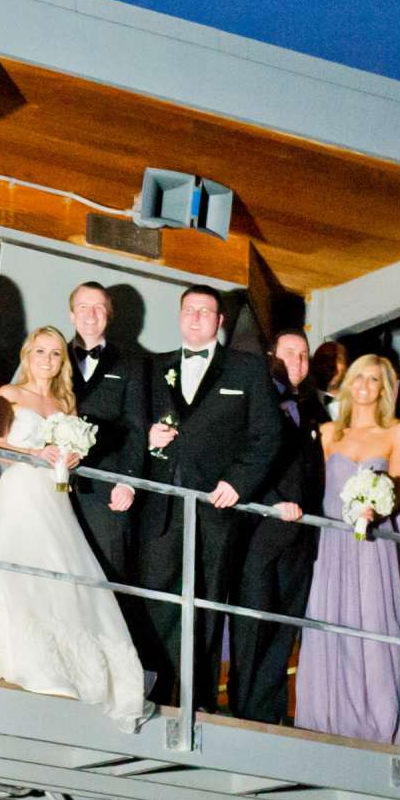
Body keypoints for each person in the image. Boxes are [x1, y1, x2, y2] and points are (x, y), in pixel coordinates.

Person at [0, 326, 148, 723]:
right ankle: (17, 662)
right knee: (17, 570)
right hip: (20, 489)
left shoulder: (64, 406)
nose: (47, 359)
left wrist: (70, 457)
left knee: (62, 574)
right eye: (40, 351)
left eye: (55, 353)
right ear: (28, 355)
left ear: (62, 362)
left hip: (55, 496)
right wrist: (34, 451)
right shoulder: (10, 393)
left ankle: (64, 667)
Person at [288, 354, 400, 756]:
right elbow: (314, 489)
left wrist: (375, 507)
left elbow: (396, 488)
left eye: (373, 380)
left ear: (384, 389)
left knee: (378, 624)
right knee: (332, 622)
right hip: (334, 543)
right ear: (348, 384)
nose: (364, 386)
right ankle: (328, 717)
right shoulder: (327, 433)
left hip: (374, 544)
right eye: (358, 378)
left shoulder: (396, 432)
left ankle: (379, 721)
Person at [135, 287, 280, 708]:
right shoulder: (153, 367)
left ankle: (198, 702)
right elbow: (133, 425)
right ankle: (152, 696)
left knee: (207, 605)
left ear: (220, 321)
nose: (196, 317)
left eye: (206, 311)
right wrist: (147, 438)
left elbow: (269, 435)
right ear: (179, 316)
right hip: (160, 509)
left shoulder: (248, 369)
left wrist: (239, 482)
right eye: (189, 310)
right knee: (156, 601)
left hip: (216, 509)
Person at [232, 329, 324, 724]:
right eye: (290, 353)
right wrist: (270, 503)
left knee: (285, 625)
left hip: (302, 535)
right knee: (253, 621)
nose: (298, 362)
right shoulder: (259, 397)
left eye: (304, 355)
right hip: (260, 529)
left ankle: (268, 713)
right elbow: (243, 456)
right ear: (273, 355)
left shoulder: (316, 410)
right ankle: (242, 711)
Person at [65, 282, 146, 592]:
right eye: (83, 307)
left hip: (106, 485)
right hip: (57, 483)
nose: (90, 314)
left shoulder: (132, 364)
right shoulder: (52, 355)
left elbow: (137, 428)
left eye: (98, 307)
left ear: (109, 315)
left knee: (106, 573)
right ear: (72, 315)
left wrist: (127, 481)